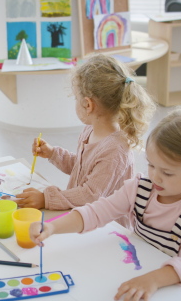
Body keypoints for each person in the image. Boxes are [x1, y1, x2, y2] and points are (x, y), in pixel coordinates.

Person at [29, 105, 181, 301]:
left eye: (167, 173)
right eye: (151, 165)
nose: (155, 177)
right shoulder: (139, 188)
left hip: (173, 286)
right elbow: (96, 212)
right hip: (136, 270)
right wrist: (52, 227)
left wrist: (153, 279)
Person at [16, 54, 155, 216]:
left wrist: (46, 199)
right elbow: (81, 168)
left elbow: (90, 194)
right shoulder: (90, 130)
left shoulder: (116, 150)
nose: (75, 101)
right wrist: (53, 153)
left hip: (107, 228)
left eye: (76, 98)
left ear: (88, 105)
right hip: (84, 216)